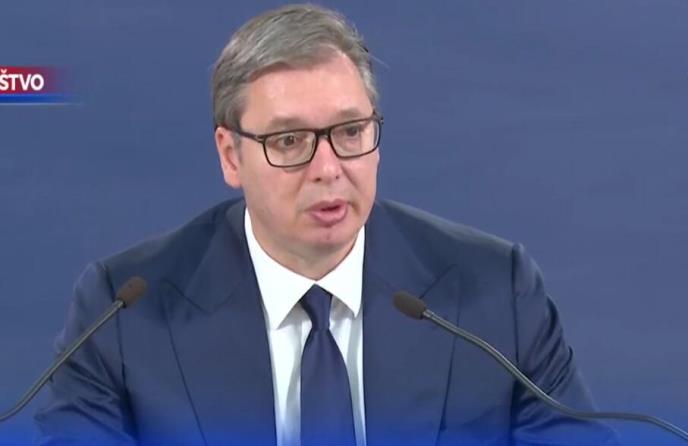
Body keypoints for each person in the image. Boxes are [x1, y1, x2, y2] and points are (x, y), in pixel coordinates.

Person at [35, 4, 619, 446]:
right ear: (231, 157)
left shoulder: (494, 294)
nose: (328, 168)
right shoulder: (124, 314)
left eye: (350, 132)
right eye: (290, 141)